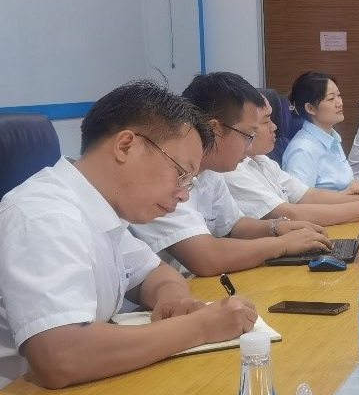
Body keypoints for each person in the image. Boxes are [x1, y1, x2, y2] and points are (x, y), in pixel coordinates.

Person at [0, 81, 258, 389]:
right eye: (180, 174)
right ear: (126, 146)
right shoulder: (46, 216)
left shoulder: (100, 209)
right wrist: (200, 326)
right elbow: (61, 356)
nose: (183, 194)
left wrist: (173, 298)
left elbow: (156, 273)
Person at [129, 73, 332, 277]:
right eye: (248, 135)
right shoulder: (165, 178)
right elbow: (207, 258)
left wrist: (276, 227)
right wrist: (283, 245)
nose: (250, 146)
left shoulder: (211, 172)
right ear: (215, 129)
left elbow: (234, 225)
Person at [225, 94, 359, 226]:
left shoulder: (262, 161)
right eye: (266, 121)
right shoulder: (232, 169)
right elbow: (289, 213)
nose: (274, 126)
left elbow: (306, 194)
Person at [281, 71, 359, 192]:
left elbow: (341, 185)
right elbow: (300, 201)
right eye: (331, 98)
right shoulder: (302, 150)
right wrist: (346, 193)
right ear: (310, 108)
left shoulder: (331, 138)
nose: (340, 103)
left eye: (339, 95)